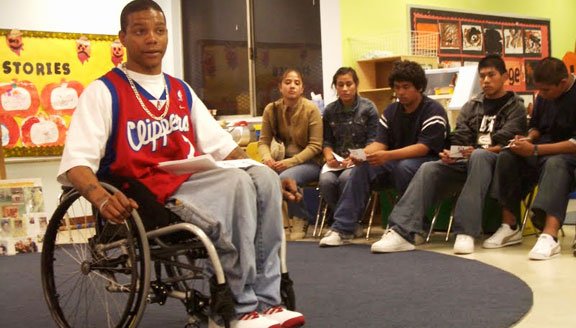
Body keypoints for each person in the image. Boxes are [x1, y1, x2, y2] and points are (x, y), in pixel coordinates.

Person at [56, 1, 304, 327]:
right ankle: (241, 307)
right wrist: (100, 198)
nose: (152, 39)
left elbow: (225, 149)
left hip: (186, 179)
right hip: (141, 192)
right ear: (123, 38)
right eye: (140, 31)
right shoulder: (104, 92)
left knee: (260, 177)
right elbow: (76, 163)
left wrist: (268, 173)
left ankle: (269, 301)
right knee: (239, 184)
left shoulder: (180, 90)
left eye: (159, 31)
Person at [367, 55, 527, 254]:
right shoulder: (472, 106)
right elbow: (460, 135)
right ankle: (401, 231)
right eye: (482, 76)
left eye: (491, 75)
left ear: (504, 77)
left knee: (479, 156)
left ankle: (466, 231)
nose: (485, 80)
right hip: (466, 160)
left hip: (498, 161)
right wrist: (455, 154)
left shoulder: (516, 106)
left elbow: (508, 141)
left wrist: (476, 151)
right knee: (429, 167)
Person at [319, 60, 450, 247]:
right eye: (397, 87)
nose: (400, 92)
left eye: (406, 87)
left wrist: (387, 156)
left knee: (404, 167)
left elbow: (424, 148)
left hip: (428, 162)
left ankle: (412, 228)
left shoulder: (433, 110)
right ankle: (343, 227)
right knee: (363, 166)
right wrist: (360, 154)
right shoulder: (391, 110)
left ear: (419, 87)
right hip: (396, 161)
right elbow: (380, 143)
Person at [491, 56, 576, 260]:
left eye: (546, 90)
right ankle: (510, 225)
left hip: (569, 155)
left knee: (557, 162)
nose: (541, 95)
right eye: (539, 90)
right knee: (507, 156)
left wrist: (535, 150)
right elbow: (537, 126)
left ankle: (550, 235)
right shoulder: (543, 96)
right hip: (542, 149)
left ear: (563, 83)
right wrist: (528, 138)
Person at [258, 68, 323, 240]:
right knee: (257, 176)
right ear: (280, 87)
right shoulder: (271, 110)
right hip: (281, 160)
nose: (292, 86)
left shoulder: (311, 109)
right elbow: (263, 142)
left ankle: (300, 218)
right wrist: (267, 158)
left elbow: (316, 146)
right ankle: (265, 223)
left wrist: (290, 162)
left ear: (302, 88)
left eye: (297, 83)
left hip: (311, 162)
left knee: (286, 176)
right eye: (287, 82)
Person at [319, 67, 379, 223]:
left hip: (360, 161)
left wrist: (356, 157)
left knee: (346, 179)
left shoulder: (368, 108)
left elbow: (373, 141)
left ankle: (349, 222)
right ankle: (343, 220)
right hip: (337, 162)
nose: (345, 89)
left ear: (356, 84)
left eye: (349, 84)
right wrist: (328, 155)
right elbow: (327, 140)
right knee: (326, 182)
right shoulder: (330, 110)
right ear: (335, 87)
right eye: (340, 85)